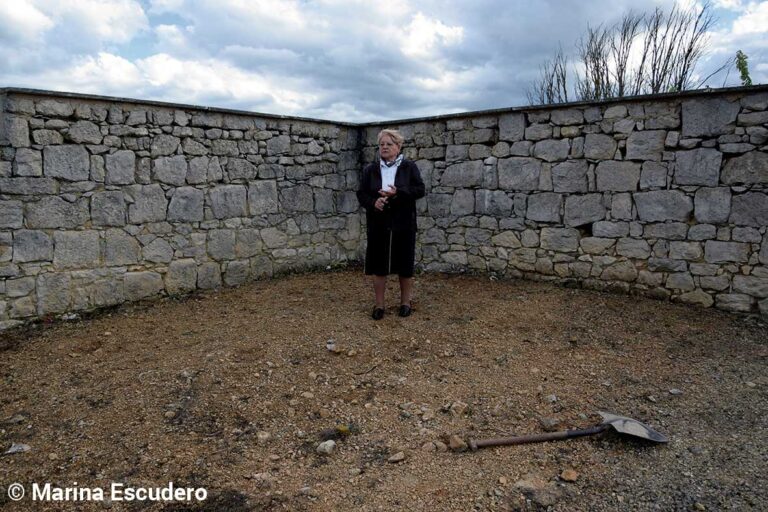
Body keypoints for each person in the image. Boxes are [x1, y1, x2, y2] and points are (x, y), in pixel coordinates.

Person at [357, 129, 426, 320]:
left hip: (403, 223)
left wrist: (399, 193)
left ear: (398, 146)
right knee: (379, 265)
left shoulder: (408, 167)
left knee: (405, 264)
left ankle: (405, 303)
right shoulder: (370, 170)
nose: (385, 147)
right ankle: (379, 305)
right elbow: (361, 193)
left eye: (389, 144)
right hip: (378, 223)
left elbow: (420, 190)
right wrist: (373, 203)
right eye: (382, 144)